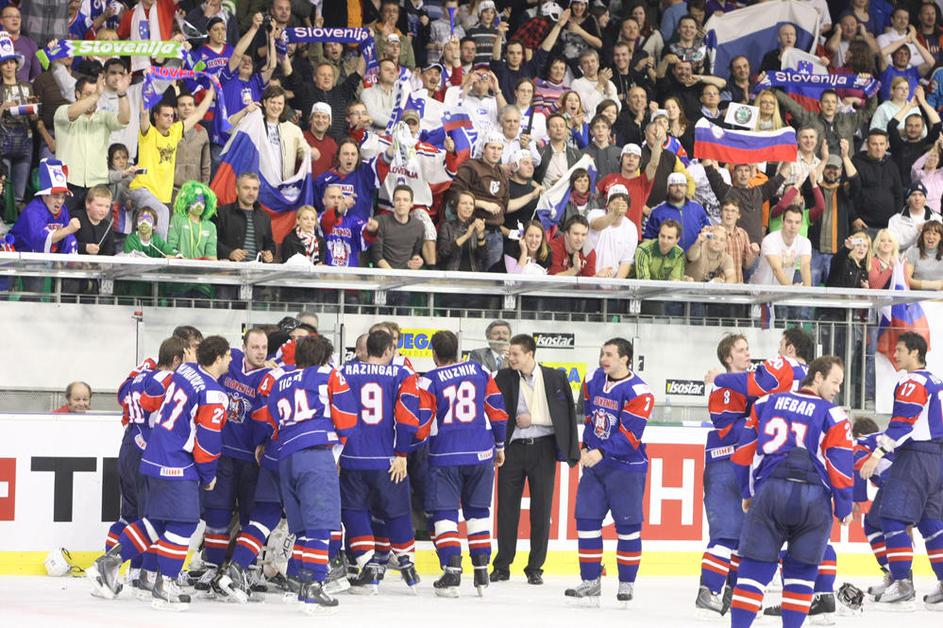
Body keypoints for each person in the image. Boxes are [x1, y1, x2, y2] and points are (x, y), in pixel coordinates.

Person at [86, 336, 232, 610]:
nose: (231, 360)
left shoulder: (185, 370)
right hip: (178, 462)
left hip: (152, 455)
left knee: (157, 521)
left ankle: (108, 565)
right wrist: (208, 475)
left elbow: (150, 397)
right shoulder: (214, 394)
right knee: (184, 523)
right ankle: (165, 585)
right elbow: (207, 443)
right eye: (228, 356)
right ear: (218, 358)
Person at [728, 356, 853, 627]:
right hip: (813, 501)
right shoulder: (833, 414)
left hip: (770, 493)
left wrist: (747, 492)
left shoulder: (765, 403)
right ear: (817, 377)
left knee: (752, 572)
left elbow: (742, 454)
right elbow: (841, 465)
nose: (837, 389)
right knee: (801, 575)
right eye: (834, 382)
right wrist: (844, 507)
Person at [254, 335, 357, 614]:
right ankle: (314, 585)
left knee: (301, 529)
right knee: (321, 526)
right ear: (324, 358)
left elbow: (269, 419)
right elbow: (347, 418)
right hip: (315, 455)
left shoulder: (280, 380)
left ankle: (299, 583)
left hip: (286, 456)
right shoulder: (329, 374)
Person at [418, 330, 508, 597]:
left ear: (434, 353)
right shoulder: (480, 371)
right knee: (478, 513)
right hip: (481, 453)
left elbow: (422, 422)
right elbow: (498, 411)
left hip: (445, 455)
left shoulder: (429, 379)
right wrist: (499, 446)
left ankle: (452, 572)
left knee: (444, 513)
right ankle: (481, 572)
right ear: (458, 350)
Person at [565, 337, 654, 605]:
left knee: (628, 526)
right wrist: (585, 446)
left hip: (626, 469)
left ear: (625, 358)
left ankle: (626, 583)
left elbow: (630, 436)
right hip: (596, 465)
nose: (604, 359)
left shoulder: (639, 392)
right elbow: (590, 418)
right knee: (586, 521)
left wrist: (601, 452)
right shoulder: (593, 379)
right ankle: (590, 581)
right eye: (603, 353)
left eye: (610, 355)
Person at [860, 332, 943, 610]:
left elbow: (903, 423)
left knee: (892, 517)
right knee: (931, 524)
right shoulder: (936, 381)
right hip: (936, 460)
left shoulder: (913, 381)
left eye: (899, 350)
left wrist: (876, 455)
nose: (894, 355)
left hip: (916, 458)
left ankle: (902, 583)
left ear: (915, 352)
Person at [338, 329, 423, 592]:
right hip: (388, 459)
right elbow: (408, 417)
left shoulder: (343, 372)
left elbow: (334, 411)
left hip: (352, 456)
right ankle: (407, 562)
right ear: (388, 350)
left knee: (354, 510)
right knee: (396, 510)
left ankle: (369, 566)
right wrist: (402, 453)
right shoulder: (401, 374)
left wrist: (335, 452)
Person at [491, 333, 579, 585]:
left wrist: (536, 419)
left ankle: (535, 567)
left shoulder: (555, 377)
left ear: (530, 354)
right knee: (506, 509)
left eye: (516, 354)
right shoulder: (503, 377)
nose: (511, 358)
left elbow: (566, 414)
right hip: (513, 450)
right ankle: (502, 565)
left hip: (543, 449)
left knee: (541, 510)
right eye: (510, 354)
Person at [102, 336, 187, 594]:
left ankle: (109, 572)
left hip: (129, 444)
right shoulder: (166, 379)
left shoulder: (140, 374)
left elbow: (121, 394)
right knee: (151, 517)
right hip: (146, 450)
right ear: (176, 359)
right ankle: (140, 573)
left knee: (128, 515)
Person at [197, 328, 271, 588]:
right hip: (224, 455)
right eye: (255, 347)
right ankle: (212, 567)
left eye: (264, 347)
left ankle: (250, 569)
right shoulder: (230, 360)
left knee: (251, 516)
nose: (260, 353)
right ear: (244, 347)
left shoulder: (270, 375)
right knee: (217, 515)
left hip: (252, 460)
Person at [694, 334, 751, 615]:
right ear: (728, 358)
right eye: (741, 350)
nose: (747, 354)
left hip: (746, 467)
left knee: (744, 538)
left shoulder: (751, 383)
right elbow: (729, 429)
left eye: (747, 349)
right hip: (724, 463)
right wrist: (759, 417)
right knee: (727, 533)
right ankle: (708, 590)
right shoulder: (724, 388)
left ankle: (733, 591)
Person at [129, 87, 216, 239]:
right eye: (165, 115)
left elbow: (199, 114)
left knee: (148, 228)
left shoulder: (175, 132)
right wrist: (147, 88)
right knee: (162, 212)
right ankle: (162, 251)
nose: (170, 118)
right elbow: (143, 113)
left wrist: (212, 89)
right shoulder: (148, 133)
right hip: (143, 189)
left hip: (162, 195)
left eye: (171, 116)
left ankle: (141, 249)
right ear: (156, 116)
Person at [54, 74, 131, 212]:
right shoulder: (63, 111)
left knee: (96, 225)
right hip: (68, 183)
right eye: (88, 94)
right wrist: (96, 95)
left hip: (98, 185)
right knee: (66, 223)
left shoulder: (103, 116)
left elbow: (124, 120)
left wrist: (122, 95)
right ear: (77, 94)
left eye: (96, 94)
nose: (94, 98)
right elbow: (71, 114)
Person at [10, 159, 79, 258]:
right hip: (20, 257)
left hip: (45, 259)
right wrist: (68, 229)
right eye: (56, 196)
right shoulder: (33, 211)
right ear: (44, 195)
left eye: (63, 197)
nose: (60, 201)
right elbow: (40, 239)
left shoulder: (63, 210)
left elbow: (66, 239)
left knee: (70, 239)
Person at [214, 172, 275, 264]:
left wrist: (269, 253)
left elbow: (270, 244)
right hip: (228, 269)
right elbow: (210, 241)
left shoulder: (264, 217)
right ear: (237, 190)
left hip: (256, 270)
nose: (251, 193)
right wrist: (229, 253)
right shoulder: (221, 213)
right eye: (246, 188)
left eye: (255, 189)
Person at [644, 173, 711, 252]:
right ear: (668, 189)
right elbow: (648, 240)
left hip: (694, 256)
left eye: (682, 185)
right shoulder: (657, 212)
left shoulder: (697, 208)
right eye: (674, 185)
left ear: (686, 188)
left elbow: (709, 230)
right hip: (668, 257)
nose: (678, 188)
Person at [751, 205, 813, 288]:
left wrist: (807, 290)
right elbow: (776, 269)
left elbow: (805, 266)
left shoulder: (805, 242)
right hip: (759, 290)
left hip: (783, 291)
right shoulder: (770, 240)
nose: (793, 226)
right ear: (782, 222)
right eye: (789, 221)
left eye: (797, 222)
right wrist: (792, 289)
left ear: (801, 224)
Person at [586, 184, 638, 279]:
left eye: (623, 205)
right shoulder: (595, 213)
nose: (619, 208)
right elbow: (596, 225)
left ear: (627, 207)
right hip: (588, 277)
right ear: (607, 205)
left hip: (612, 280)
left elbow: (626, 262)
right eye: (615, 204)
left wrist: (616, 284)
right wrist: (614, 213)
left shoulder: (631, 228)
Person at [369, 185, 425, 271]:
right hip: (383, 274)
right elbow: (377, 257)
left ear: (411, 204)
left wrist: (417, 260)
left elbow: (415, 253)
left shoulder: (419, 226)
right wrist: (393, 275)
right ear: (393, 202)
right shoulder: (380, 221)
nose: (401, 203)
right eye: (398, 199)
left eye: (405, 200)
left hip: (406, 274)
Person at [437, 190, 490, 272]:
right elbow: (443, 252)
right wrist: (466, 236)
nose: (468, 207)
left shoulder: (476, 226)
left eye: (471, 204)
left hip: (473, 275)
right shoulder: (447, 227)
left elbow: (484, 258)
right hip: (452, 274)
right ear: (456, 206)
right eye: (464, 203)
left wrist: (480, 236)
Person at [888, 181, 936, 252]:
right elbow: (894, 244)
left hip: (930, 257)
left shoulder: (936, 218)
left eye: (921, 195)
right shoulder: (895, 219)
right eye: (914, 195)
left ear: (925, 198)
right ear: (908, 198)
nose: (917, 198)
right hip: (903, 257)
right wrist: (916, 229)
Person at [904, 219, 943, 290]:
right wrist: (933, 285)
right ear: (923, 235)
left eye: (934, 234)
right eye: (928, 233)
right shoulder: (913, 252)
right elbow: (906, 279)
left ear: (940, 237)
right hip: (918, 295)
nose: (931, 237)